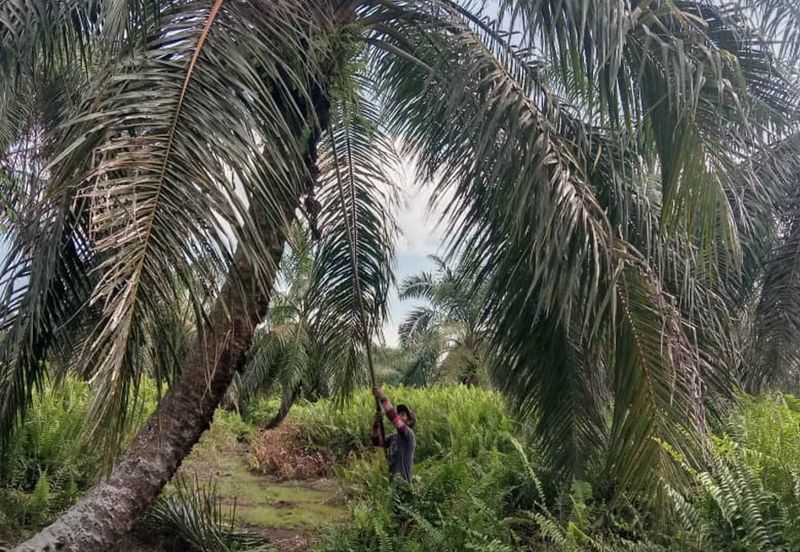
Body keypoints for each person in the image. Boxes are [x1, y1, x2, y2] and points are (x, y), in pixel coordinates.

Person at [371, 386, 416, 483]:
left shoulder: (409, 435)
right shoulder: (393, 437)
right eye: (398, 413)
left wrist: (382, 397)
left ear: (409, 421)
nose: (399, 416)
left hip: (403, 485)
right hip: (393, 485)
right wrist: (376, 424)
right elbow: (377, 442)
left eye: (403, 415)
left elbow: (393, 418)